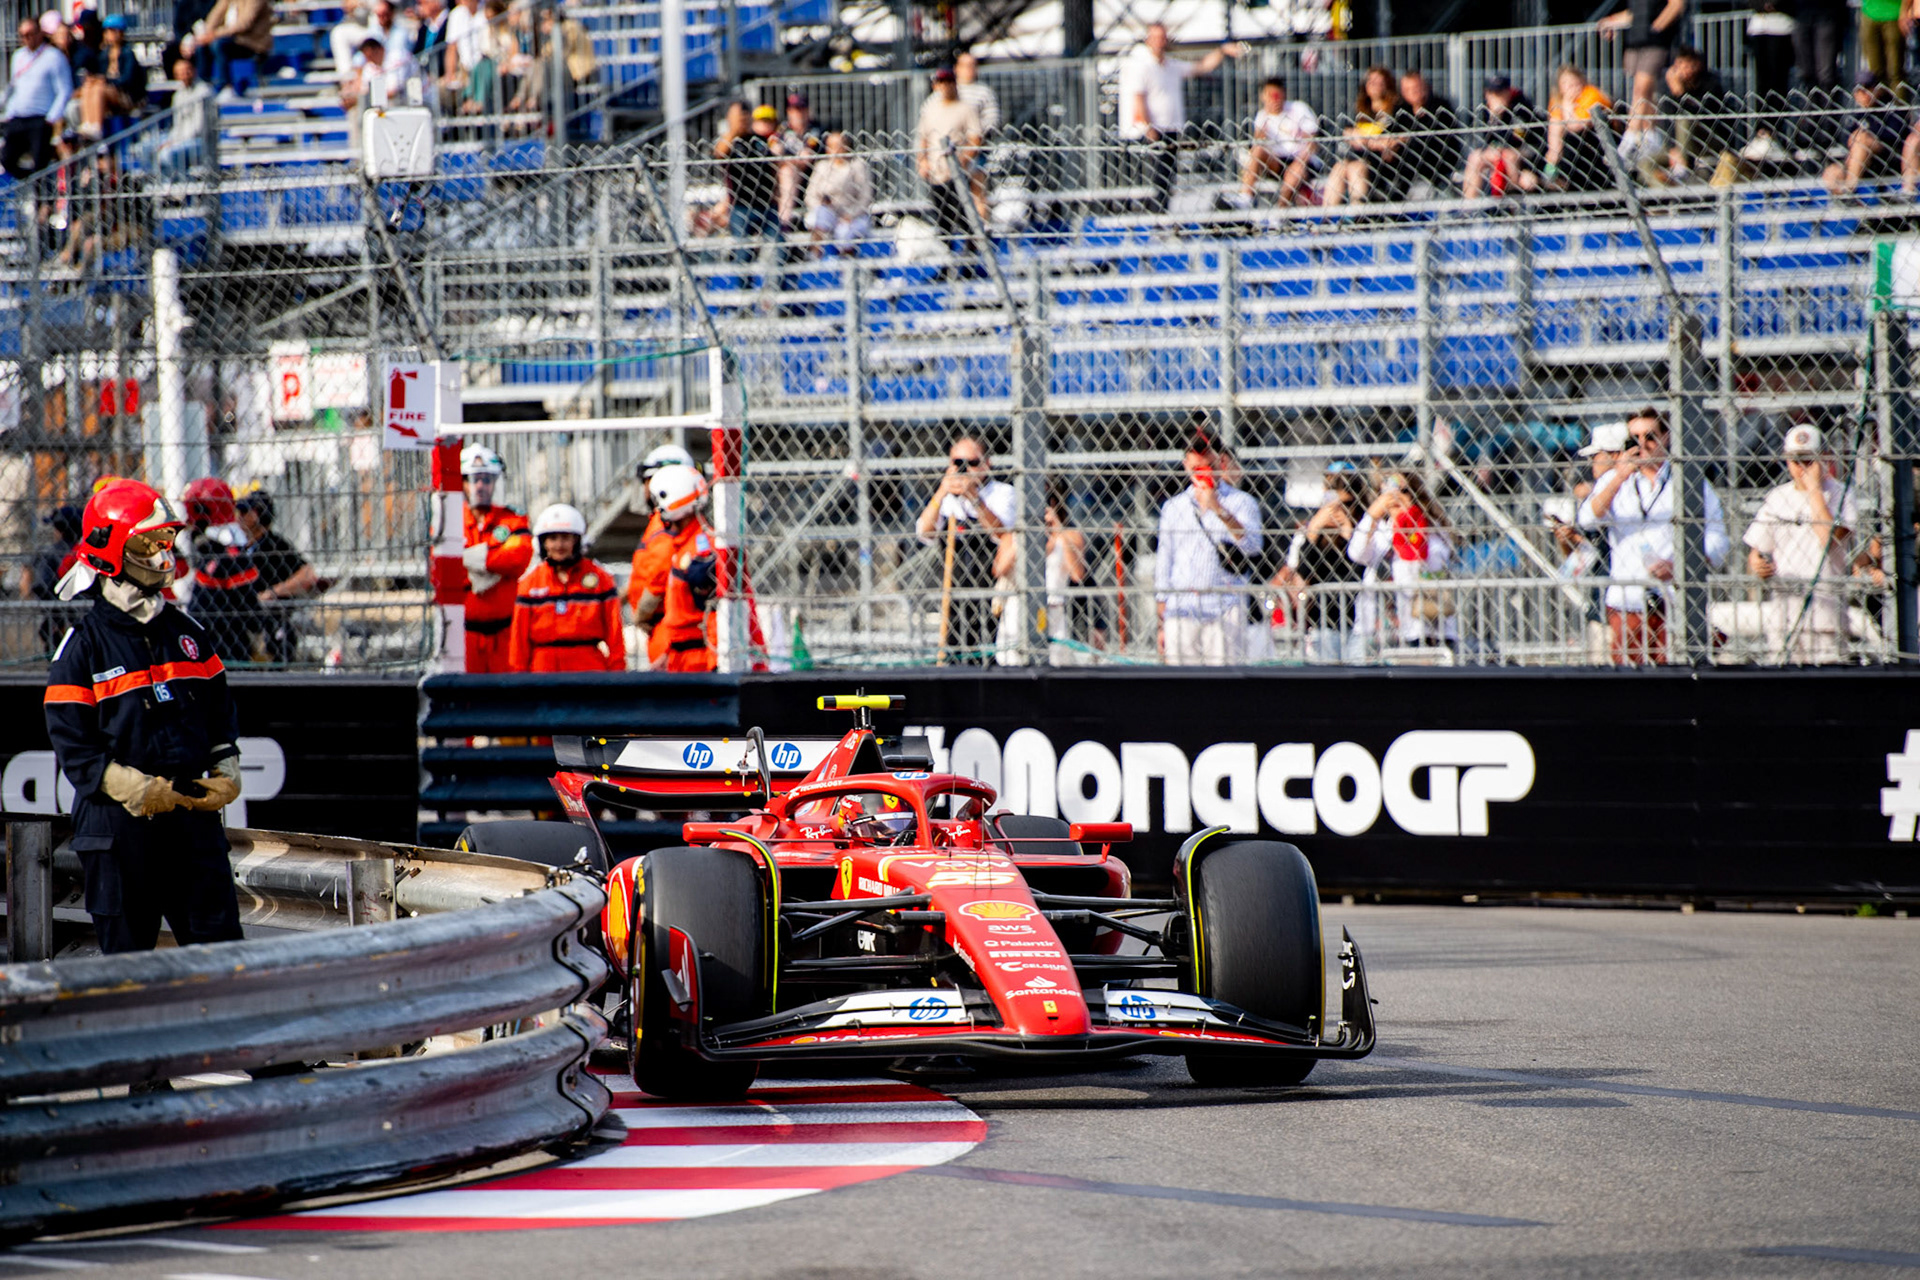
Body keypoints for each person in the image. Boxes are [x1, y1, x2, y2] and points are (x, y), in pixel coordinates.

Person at [44, 479, 244, 956]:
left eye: (165, 543)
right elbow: (75, 746)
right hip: (118, 833)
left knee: (226, 965)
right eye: (148, 544)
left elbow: (219, 712)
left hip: (192, 825)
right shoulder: (83, 647)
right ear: (112, 550)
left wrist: (227, 766)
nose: (162, 557)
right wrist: (136, 789)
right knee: (129, 977)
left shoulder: (188, 633)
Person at [1576, 407, 1731, 666]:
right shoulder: (1615, 480)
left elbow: (1717, 537)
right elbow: (1587, 520)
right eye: (1633, 439)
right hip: (1628, 602)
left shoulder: (1687, 480)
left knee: (1676, 676)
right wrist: (1619, 476)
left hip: (1673, 600)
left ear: (1666, 438)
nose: (1642, 445)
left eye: (1650, 437)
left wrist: (1681, 565)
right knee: (1627, 681)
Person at [1744, 424, 1858, 663]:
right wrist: (1758, 565)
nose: (1802, 469)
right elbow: (1756, 551)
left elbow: (1829, 539)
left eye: (1809, 461)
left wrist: (1815, 490)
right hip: (1785, 614)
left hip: (1825, 616)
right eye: (1796, 461)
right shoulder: (1778, 497)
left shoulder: (1840, 494)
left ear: (1823, 459)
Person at [1153, 439, 1261, 666]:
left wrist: (1219, 509)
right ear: (1185, 466)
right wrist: (1162, 619)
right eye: (1196, 469)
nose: (1202, 474)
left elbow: (1253, 547)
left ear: (1220, 463)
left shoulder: (1242, 502)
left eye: (1208, 467)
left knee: (1224, 682)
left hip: (1225, 605)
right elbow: (1165, 560)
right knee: (1181, 682)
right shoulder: (1174, 507)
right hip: (1182, 607)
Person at [1116, 23, 1244, 214]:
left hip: (1170, 129)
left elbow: (1201, 67)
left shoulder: (1171, 65)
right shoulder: (1141, 66)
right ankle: (1149, 220)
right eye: (1156, 37)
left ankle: (1161, 217)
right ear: (1148, 40)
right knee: (1151, 179)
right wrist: (1147, 126)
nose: (1160, 42)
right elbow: (1138, 98)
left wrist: (1222, 50)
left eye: (1162, 37)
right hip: (1150, 132)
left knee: (1166, 179)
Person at [916, 434, 1016, 666]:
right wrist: (941, 491)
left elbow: (1002, 534)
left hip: (993, 592)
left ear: (986, 464)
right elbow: (925, 532)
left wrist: (974, 497)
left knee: (992, 656)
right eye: (957, 463)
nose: (964, 469)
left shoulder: (1003, 493)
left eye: (971, 463)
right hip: (955, 590)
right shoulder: (947, 498)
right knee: (954, 654)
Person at [1271, 461, 1369, 663]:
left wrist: (1349, 535)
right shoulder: (1310, 534)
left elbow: (1357, 574)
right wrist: (1314, 532)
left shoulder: (1365, 529)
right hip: (1323, 623)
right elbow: (1303, 577)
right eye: (1334, 504)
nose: (1341, 511)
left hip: (1360, 623)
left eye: (1348, 504)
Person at [508, 503, 624, 673]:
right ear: (543, 543)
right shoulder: (530, 583)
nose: (559, 545)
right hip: (542, 668)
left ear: (576, 540)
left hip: (588, 667)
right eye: (552, 538)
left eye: (565, 537)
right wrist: (518, 679)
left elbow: (615, 634)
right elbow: (519, 641)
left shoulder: (600, 579)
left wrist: (618, 674)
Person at [1347, 467, 1453, 649]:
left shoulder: (1430, 527)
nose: (1394, 498)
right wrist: (1372, 515)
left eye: (1402, 491)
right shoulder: (1379, 529)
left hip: (1419, 627)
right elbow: (1356, 553)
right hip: (1374, 626)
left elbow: (1434, 558)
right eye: (1387, 492)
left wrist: (1409, 519)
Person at [459, 443, 533, 673]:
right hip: (463, 634)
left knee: (507, 698)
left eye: (486, 479)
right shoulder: (450, 522)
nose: (480, 486)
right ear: (462, 483)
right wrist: (495, 563)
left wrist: (473, 559)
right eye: (474, 479)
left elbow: (517, 558)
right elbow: (442, 568)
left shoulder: (512, 520)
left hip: (505, 632)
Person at [625, 444, 701, 669]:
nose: (646, 489)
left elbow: (659, 575)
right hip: (669, 626)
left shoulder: (667, 523)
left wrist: (641, 614)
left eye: (649, 481)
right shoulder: (669, 522)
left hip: (668, 627)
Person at [644, 465, 719, 672]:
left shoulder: (699, 552)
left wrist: (715, 668)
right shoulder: (687, 547)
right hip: (681, 657)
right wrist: (669, 653)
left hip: (698, 661)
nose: (658, 510)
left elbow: (712, 615)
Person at [181, 476, 264, 662]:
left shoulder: (228, 554)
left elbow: (250, 608)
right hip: (211, 638)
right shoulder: (213, 553)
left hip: (227, 642)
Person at [235, 490, 318, 664]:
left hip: (271, 625)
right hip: (246, 623)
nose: (239, 517)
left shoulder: (274, 545)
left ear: (257, 514)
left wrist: (273, 592)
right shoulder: (243, 549)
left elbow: (307, 575)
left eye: (244, 512)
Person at [1600, 0, 1686, 161]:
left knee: (1641, 88)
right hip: (1637, 43)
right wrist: (1611, 21)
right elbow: (1635, 14)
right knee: (1647, 93)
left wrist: (1656, 29)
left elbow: (1676, 5)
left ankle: (1630, 135)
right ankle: (1650, 135)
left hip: (1655, 43)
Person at [916, 67, 984, 252]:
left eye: (948, 82)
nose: (945, 86)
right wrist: (922, 161)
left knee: (964, 216)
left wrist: (963, 159)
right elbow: (923, 138)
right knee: (942, 219)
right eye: (941, 82)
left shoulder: (965, 108)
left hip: (958, 173)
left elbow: (975, 138)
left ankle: (971, 257)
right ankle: (946, 261)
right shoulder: (930, 109)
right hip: (937, 172)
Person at [1652, 46, 1735, 185]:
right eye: (1679, 65)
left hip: (1707, 139)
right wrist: (1673, 147)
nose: (1682, 70)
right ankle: (1668, 193)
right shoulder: (1669, 87)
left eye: (1686, 65)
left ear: (1696, 65)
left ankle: (1681, 168)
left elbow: (1699, 115)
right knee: (1645, 163)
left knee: (1685, 121)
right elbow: (1668, 121)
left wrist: (1680, 94)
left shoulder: (1710, 84)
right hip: (1679, 145)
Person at [3, 17, 71, 183]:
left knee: (40, 161)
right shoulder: (18, 56)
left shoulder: (54, 57)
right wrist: (9, 111)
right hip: (18, 117)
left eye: (30, 34)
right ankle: (29, 181)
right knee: (7, 158)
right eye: (23, 35)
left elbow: (64, 89)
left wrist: (52, 117)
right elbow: (15, 86)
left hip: (40, 118)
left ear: (39, 33)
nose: (27, 38)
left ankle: (42, 200)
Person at [1323, 65, 1402, 207]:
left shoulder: (1396, 111)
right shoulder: (1360, 111)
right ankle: (1326, 217)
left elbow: (1392, 142)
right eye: (1371, 81)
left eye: (1379, 82)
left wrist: (1364, 140)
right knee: (1339, 167)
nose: (1374, 85)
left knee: (1356, 168)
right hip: (1357, 157)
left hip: (1381, 164)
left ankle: (1359, 215)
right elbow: (1347, 133)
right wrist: (1370, 141)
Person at [1237, 77, 1318, 208]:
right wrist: (1262, 131)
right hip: (1276, 162)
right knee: (1257, 150)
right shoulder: (1262, 115)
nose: (1274, 100)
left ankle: (1281, 211)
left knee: (1295, 171)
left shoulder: (1298, 108)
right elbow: (1257, 143)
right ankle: (1245, 197)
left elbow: (1312, 141)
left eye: (1277, 95)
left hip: (1300, 160)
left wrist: (1300, 160)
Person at [1825, 71, 1905, 199]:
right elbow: (1846, 141)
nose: (1864, 94)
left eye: (1868, 88)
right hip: (1858, 161)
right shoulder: (1855, 116)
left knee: (1861, 139)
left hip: (1886, 159)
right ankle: (1840, 201)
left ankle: (1849, 190)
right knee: (1832, 171)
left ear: (1878, 90)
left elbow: (1894, 136)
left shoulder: (1889, 109)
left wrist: (1866, 136)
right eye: (1859, 90)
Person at [1462, 74, 1543, 198]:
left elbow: (1517, 139)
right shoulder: (1484, 110)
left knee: (1509, 157)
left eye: (1501, 93)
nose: (1497, 97)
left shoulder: (1521, 108)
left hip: (1526, 153)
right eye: (1492, 93)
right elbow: (1481, 140)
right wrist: (1493, 119)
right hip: (1496, 151)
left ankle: (1511, 202)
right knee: (1475, 158)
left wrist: (1499, 118)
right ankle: (1469, 208)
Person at [18, 503, 83, 654]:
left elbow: (42, 586)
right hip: (82, 613)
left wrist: (55, 614)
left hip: (57, 615)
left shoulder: (49, 553)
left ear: (60, 530)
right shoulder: (86, 553)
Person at [722, 103, 783, 256]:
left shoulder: (759, 140)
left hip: (766, 204)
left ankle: (775, 280)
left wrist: (777, 194)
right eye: (738, 116)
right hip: (741, 206)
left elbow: (772, 168)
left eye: (745, 115)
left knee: (779, 249)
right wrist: (734, 128)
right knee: (743, 254)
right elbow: (718, 155)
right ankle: (742, 280)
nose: (742, 119)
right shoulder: (730, 142)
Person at [1542, 64, 1614, 192]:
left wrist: (1568, 106)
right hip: (1571, 153)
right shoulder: (1558, 100)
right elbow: (1555, 129)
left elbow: (1577, 126)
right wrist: (1553, 157)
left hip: (1596, 147)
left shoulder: (1590, 95)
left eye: (1573, 82)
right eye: (1565, 83)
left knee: (1572, 139)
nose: (1570, 87)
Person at [76, 14, 146, 141]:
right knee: (88, 86)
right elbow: (101, 75)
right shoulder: (104, 54)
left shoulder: (128, 53)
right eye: (107, 31)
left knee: (99, 88)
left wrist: (106, 80)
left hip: (126, 95)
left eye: (112, 31)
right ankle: (87, 124)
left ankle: (96, 126)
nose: (109, 34)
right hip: (110, 92)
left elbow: (127, 79)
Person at [1393, 70, 1459, 200]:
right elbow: (1392, 131)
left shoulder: (1439, 106)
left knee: (1415, 144)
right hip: (1407, 161)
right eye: (1407, 89)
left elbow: (1432, 134)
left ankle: (1399, 194)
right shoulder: (1402, 109)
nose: (1412, 92)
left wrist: (1404, 138)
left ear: (1425, 87)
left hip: (1437, 159)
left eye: (1416, 88)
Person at [804, 129, 873, 249]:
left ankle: (845, 261)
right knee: (820, 216)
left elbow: (865, 197)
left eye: (838, 145)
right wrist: (820, 205)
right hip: (826, 211)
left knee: (845, 232)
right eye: (831, 146)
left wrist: (850, 215)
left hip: (850, 212)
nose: (835, 150)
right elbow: (810, 195)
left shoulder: (856, 166)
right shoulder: (822, 166)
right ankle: (815, 255)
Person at [195, 0, 275, 96]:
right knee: (203, 46)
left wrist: (215, 34)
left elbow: (244, 24)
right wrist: (207, 34)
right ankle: (205, 84)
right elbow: (216, 15)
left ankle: (226, 86)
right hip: (232, 39)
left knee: (219, 45)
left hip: (252, 43)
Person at [955, 52, 999, 219]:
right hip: (952, 149)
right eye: (965, 65)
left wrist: (973, 137)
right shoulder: (950, 91)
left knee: (977, 191)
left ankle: (981, 229)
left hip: (976, 150)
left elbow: (992, 120)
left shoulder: (983, 92)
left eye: (972, 65)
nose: (969, 70)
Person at [153, 52, 210, 176]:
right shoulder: (178, 95)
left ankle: (179, 185)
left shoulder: (204, 92)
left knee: (167, 153)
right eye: (180, 73)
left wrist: (175, 142)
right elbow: (177, 125)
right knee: (149, 147)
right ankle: (158, 185)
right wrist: (171, 139)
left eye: (187, 71)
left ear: (193, 70)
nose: (184, 75)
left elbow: (199, 128)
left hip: (199, 140)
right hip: (181, 139)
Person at [776, 91, 820, 228]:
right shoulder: (783, 129)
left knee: (788, 171)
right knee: (786, 171)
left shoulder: (814, 129)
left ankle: (784, 220)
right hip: (783, 172)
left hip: (808, 173)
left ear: (807, 111)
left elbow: (807, 158)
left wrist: (787, 160)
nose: (797, 113)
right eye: (794, 109)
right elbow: (774, 151)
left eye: (801, 109)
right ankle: (783, 218)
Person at [1857, 0, 1909, 97]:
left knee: (1895, 71)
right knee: (1875, 73)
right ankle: (1878, 109)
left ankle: (1900, 108)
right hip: (1869, 14)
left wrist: (1904, 12)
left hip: (1894, 15)